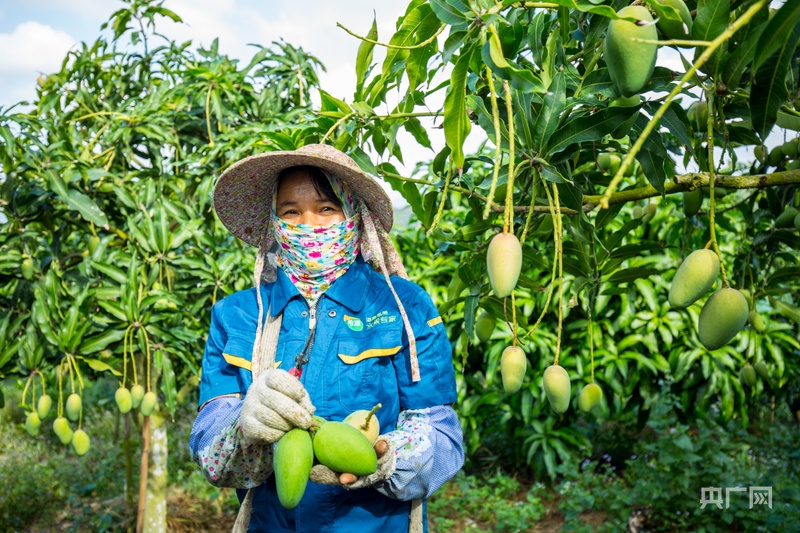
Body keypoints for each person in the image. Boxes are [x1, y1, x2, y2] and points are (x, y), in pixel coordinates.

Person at [189, 143, 464, 532]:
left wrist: (389, 457)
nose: (309, 224)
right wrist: (243, 428)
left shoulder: (405, 306)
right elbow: (208, 446)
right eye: (290, 211)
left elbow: (442, 434)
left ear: (353, 214)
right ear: (274, 221)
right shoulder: (238, 315)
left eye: (326, 208)